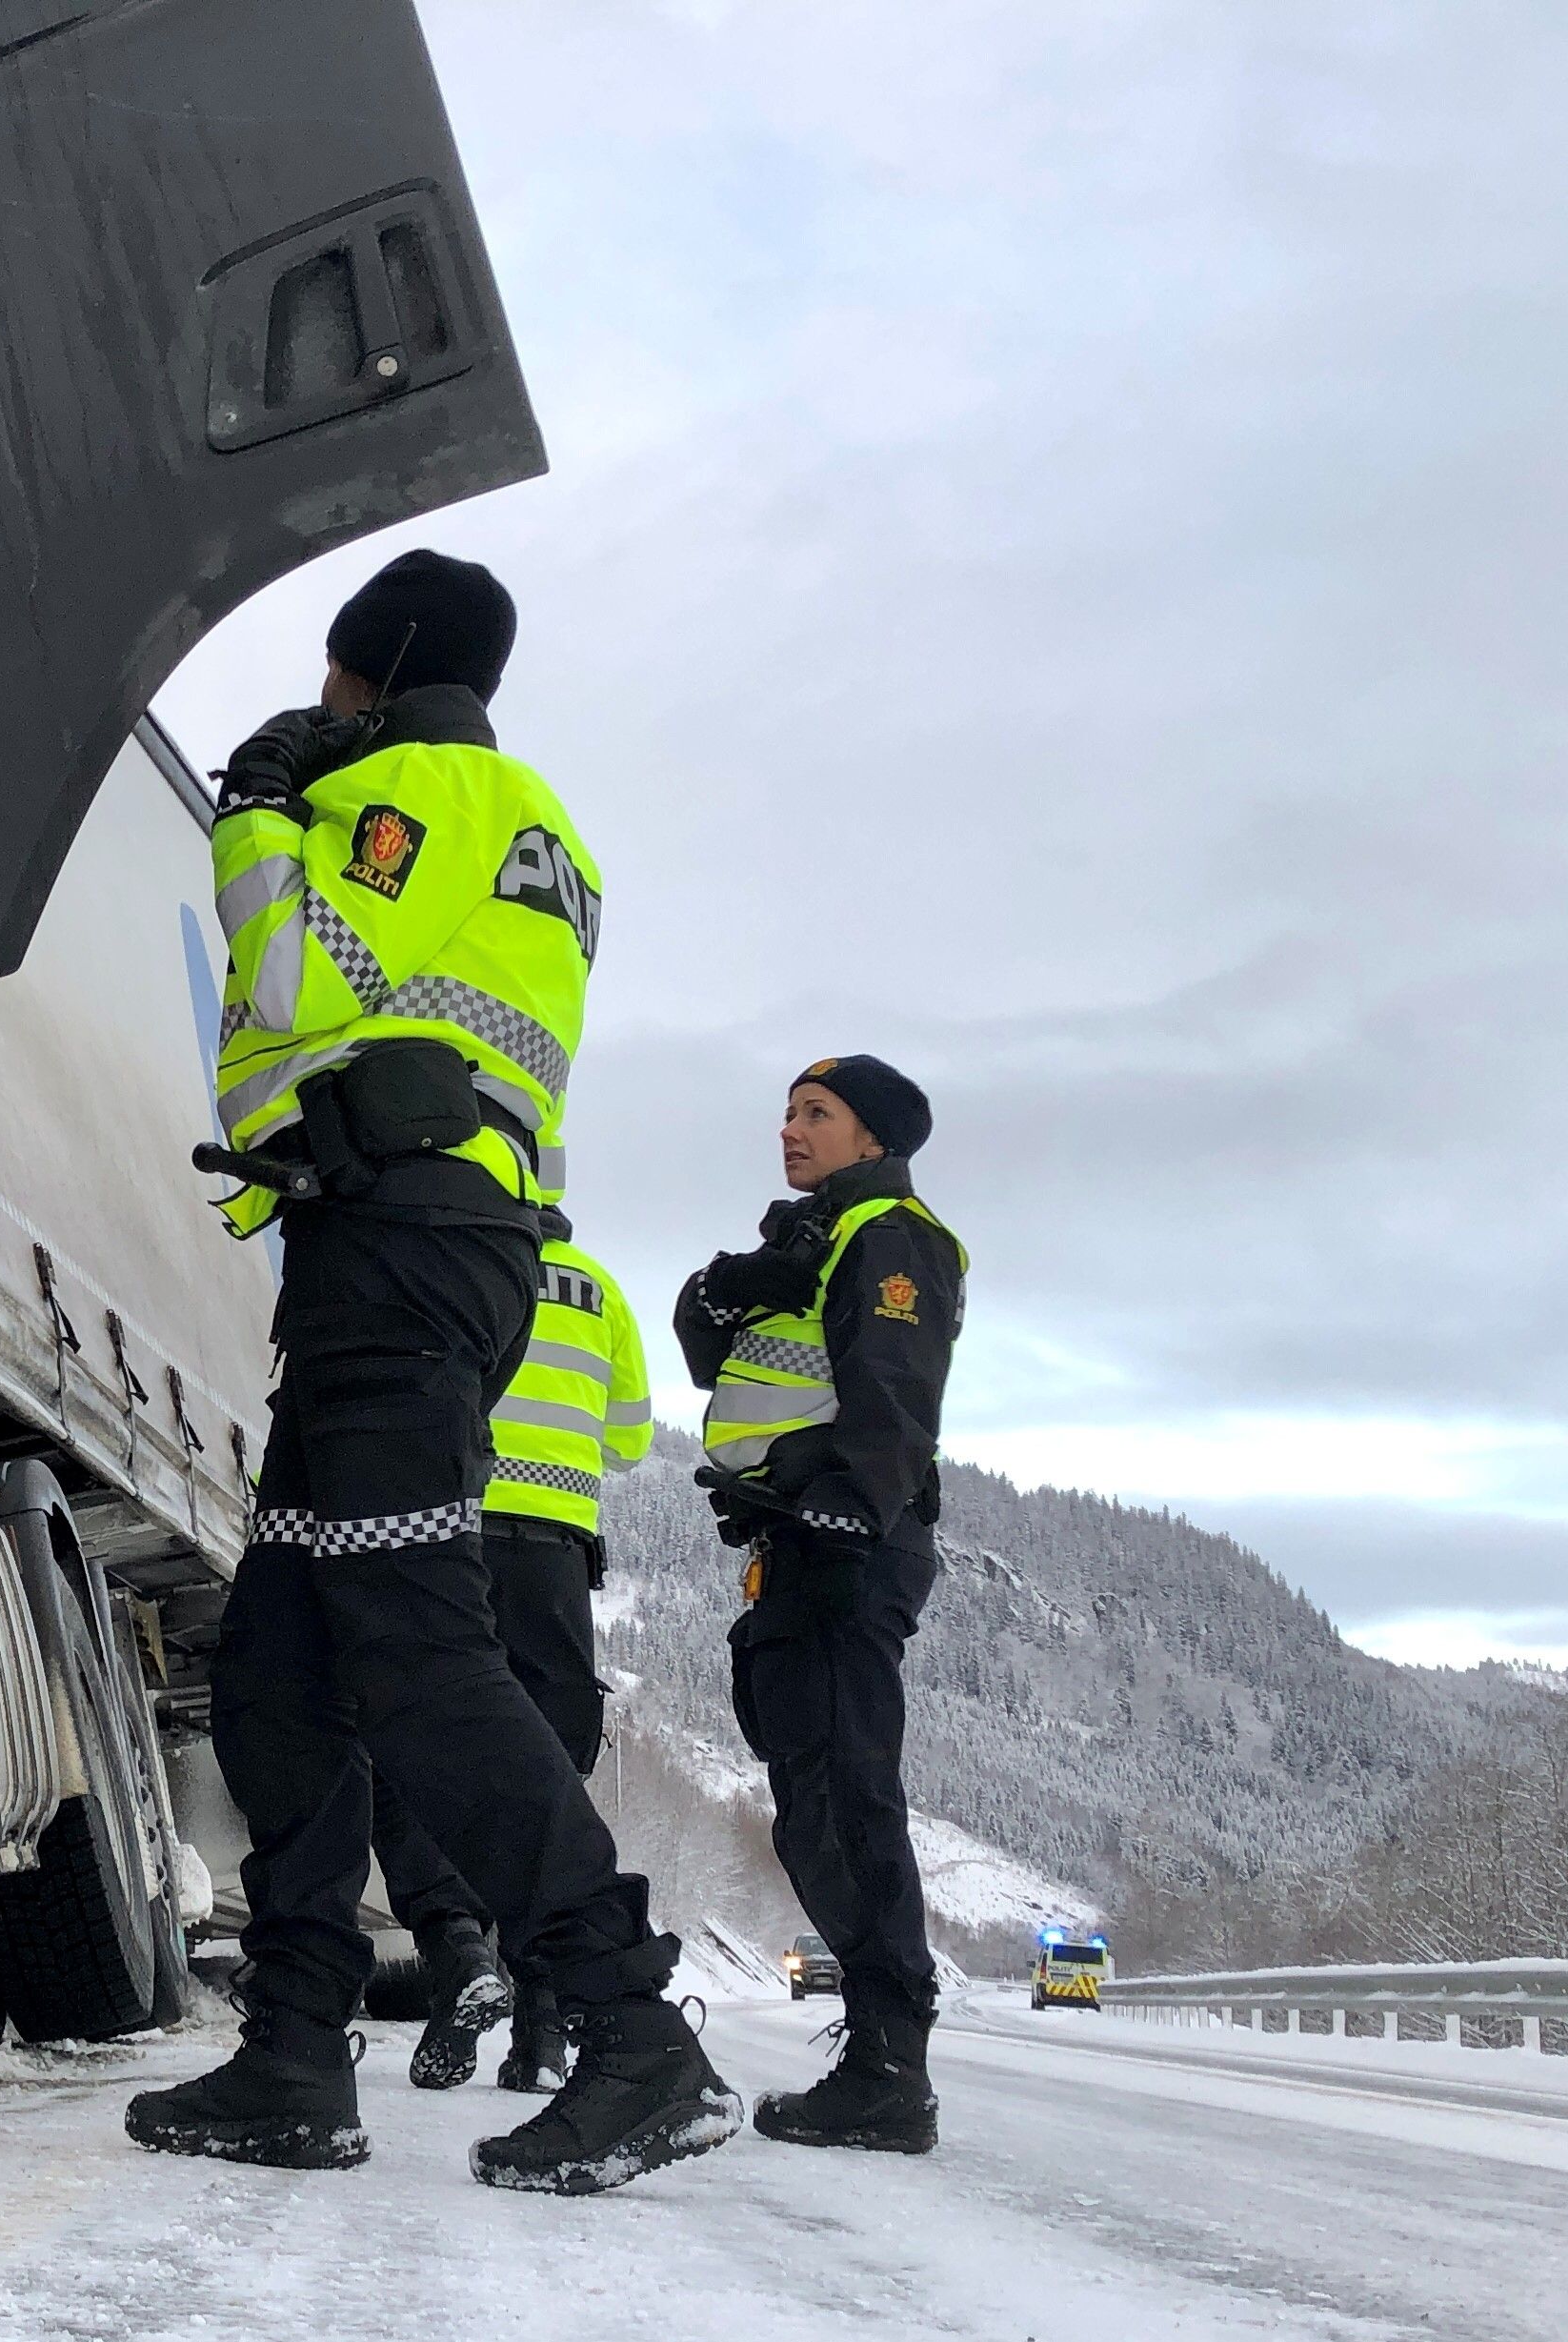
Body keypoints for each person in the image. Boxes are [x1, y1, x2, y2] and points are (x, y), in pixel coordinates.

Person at [126, 551, 738, 2192]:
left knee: (417, 1656)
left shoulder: (409, 790)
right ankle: (293, 2048)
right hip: (408, 1248)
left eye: (332, 674)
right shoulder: (538, 828)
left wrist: (258, 812)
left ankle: (634, 2032)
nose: (316, 701)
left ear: (369, 666)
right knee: (279, 1663)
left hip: (400, 1247)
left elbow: (305, 978)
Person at [676, 1054, 965, 2152]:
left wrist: (849, 1517)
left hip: (847, 1546)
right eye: (788, 1110)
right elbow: (715, 1356)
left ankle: (892, 2066)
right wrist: (726, 1285)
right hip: (793, 1547)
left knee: (847, 1799)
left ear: (873, 1138)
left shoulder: (890, 1236)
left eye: (817, 1113)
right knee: (810, 1805)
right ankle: (881, 2057)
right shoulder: (811, 1239)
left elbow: (895, 1388)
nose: (791, 1129)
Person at [364, 1215, 652, 2094]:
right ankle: (542, 2035)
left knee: (414, 1739)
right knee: (543, 1774)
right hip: (555, 1559)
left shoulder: (453, 1250)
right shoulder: (599, 1289)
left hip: (451, 1527)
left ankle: (458, 1947)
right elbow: (630, 1439)